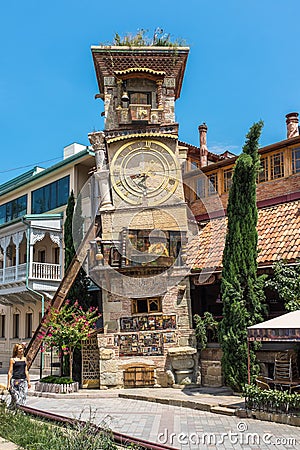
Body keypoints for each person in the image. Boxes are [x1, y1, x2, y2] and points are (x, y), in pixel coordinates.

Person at [7, 343, 31, 408]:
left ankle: (21, 411)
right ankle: (12, 407)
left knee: (23, 397)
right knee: (16, 397)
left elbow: (26, 371)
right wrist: (8, 384)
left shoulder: (24, 359)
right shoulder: (13, 360)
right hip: (15, 381)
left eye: (22, 348)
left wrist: (28, 381)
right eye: (20, 349)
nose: (22, 350)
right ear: (16, 350)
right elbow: (10, 372)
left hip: (23, 381)